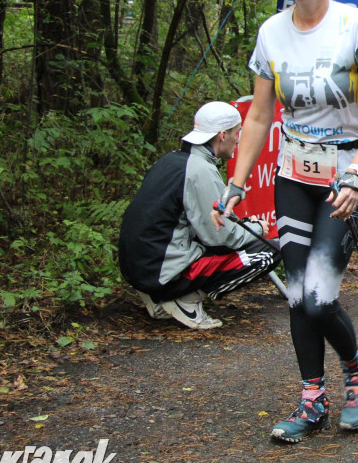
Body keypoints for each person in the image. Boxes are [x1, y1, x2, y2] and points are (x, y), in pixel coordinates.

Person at [218, 0, 358, 443]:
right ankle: (312, 399)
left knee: (319, 296)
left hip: (345, 173)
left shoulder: (356, 26)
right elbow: (257, 117)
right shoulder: (272, 32)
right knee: (297, 294)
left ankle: (357, 373)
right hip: (295, 174)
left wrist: (357, 173)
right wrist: (236, 182)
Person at [118, 102, 281, 330]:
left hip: (138, 267)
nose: (239, 139)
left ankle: (157, 297)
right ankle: (185, 299)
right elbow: (221, 237)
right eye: (237, 133)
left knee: (234, 237)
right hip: (160, 270)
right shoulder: (200, 170)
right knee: (270, 250)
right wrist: (256, 229)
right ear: (222, 135)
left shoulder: (171, 160)